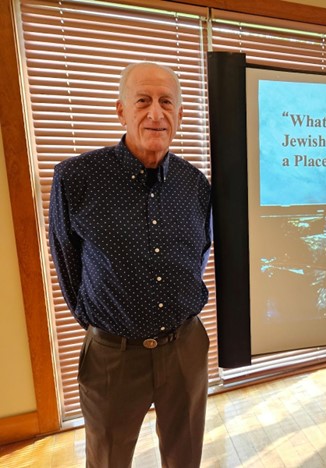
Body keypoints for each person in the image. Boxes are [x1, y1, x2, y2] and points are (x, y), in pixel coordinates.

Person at [49, 62, 212, 467]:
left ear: (179, 114)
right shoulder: (76, 178)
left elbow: (201, 254)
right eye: (142, 101)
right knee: (107, 459)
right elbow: (67, 263)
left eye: (166, 102)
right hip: (113, 357)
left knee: (185, 456)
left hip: (185, 349)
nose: (155, 113)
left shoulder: (196, 185)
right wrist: (98, 327)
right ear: (121, 110)